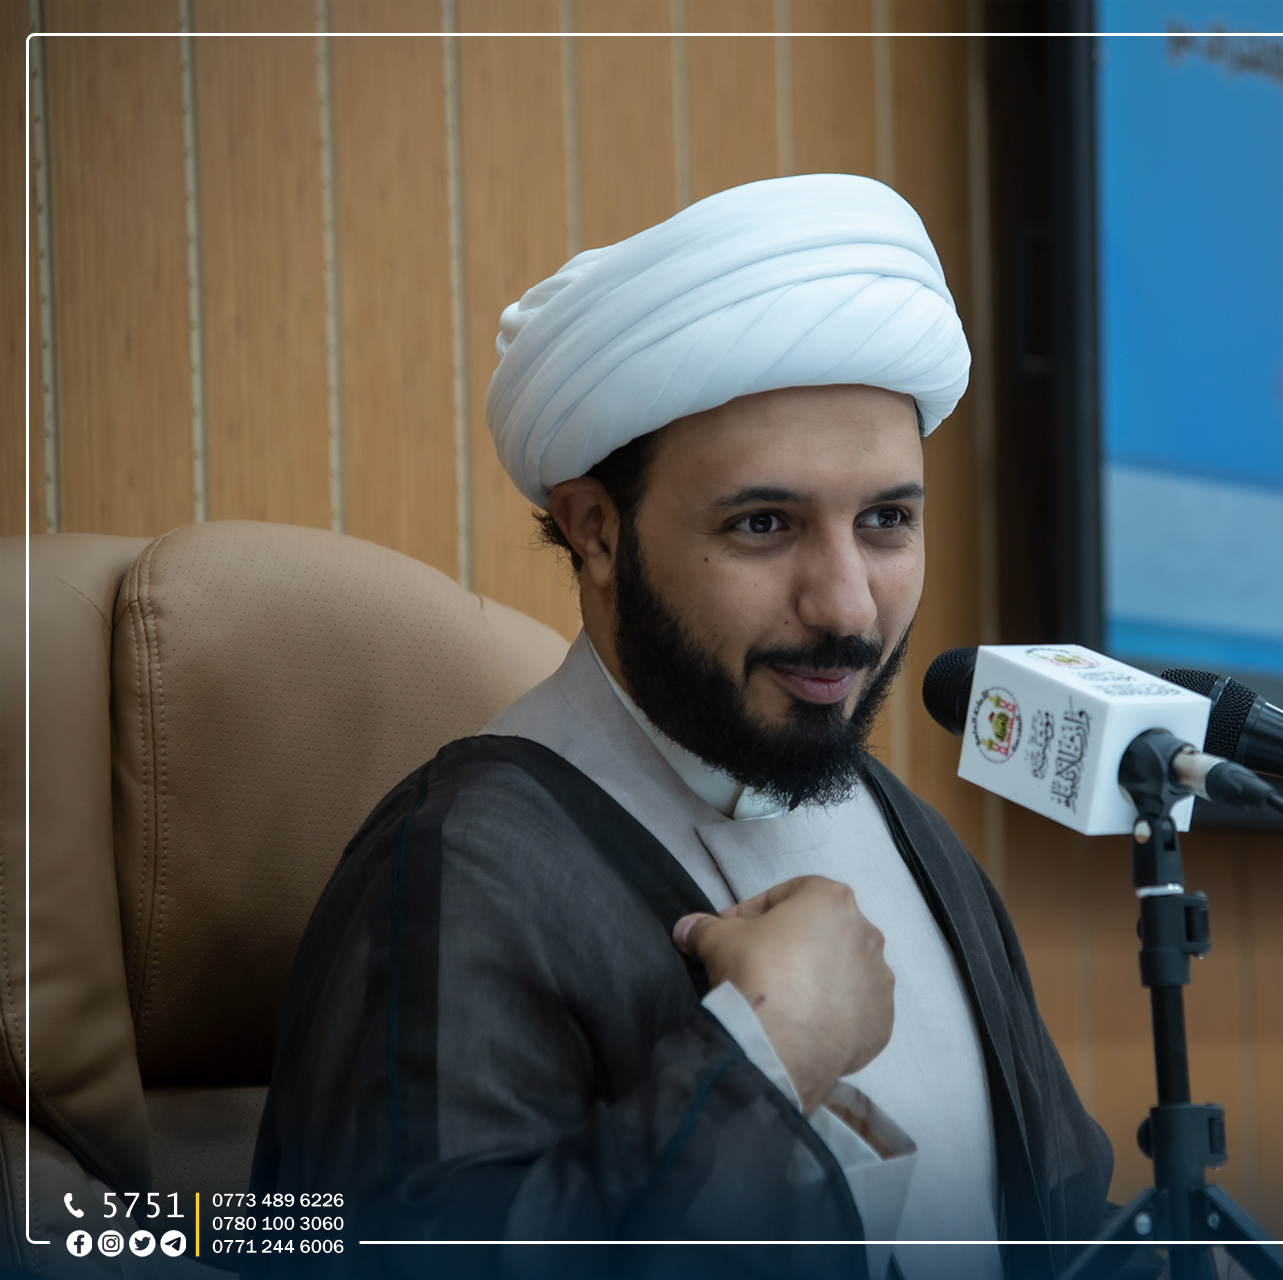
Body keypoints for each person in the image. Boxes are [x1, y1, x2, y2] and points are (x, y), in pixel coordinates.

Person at [249, 175, 1116, 1280]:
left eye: (886, 520)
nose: (848, 606)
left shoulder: (916, 840)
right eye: (765, 524)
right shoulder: (458, 866)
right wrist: (763, 1057)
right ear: (596, 532)